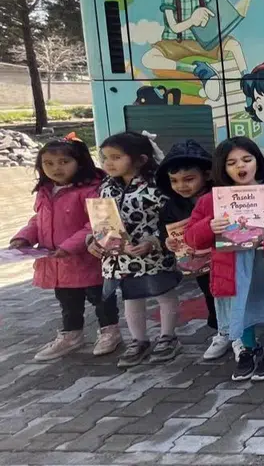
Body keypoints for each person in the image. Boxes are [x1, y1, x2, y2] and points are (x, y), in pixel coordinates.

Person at [186, 138, 264, 381]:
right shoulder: (211, 201)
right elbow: (191, 237)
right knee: (241, 304)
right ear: (222, 167)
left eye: (247, 159)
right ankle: (248, 348)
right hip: (231, 265)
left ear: (257, 162)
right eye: (232, 162)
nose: (241, 166)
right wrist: (209, 226)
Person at [9, 137, 117, 361]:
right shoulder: (45, 190)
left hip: (90, 260)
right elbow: (38, 220)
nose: (56, 168)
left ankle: (110, 332)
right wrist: (23, 237)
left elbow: (97, 224)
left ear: (80, 162)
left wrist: (69, 247)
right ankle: (71, 335)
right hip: (59, 263)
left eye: (64, 162)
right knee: (68, 302)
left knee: (101, 298)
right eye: (48, 163)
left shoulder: (94, 190)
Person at [88, 131, 179, 368]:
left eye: (116, 157)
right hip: (121, 257)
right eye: (105, 157)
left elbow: (171, 220)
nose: (108, 163)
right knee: (131, 297)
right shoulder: (106, 187)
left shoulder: (157, 187)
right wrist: (96, 239)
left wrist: (153, 241)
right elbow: (101, 221)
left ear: (140, 160)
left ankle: (168, 337)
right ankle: (139, 340)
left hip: (154, 253)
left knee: (164, 293)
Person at [156, 139, 224, 359]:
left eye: (189, 179)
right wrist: (167, 242)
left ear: (208, 174)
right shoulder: (172, 205)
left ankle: (241, 331)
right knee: (210, 293)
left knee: (233, 293)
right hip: (200, 264)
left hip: (226, 257)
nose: (181, 186)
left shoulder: (221, 196)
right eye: (174, 181)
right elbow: (164, 230)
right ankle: (221, 332)